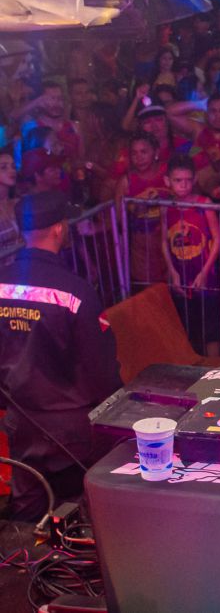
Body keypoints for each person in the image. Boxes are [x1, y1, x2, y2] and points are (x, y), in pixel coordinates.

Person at [0, 191, 120, 521]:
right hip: (73, 425)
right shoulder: (75, 292)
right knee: (86, 509)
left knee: (27, 510)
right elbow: (101, 372)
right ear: (59, 228)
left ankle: (25, 553)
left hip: (21, 419)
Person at [160, 154, 220, 356]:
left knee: (210, 329)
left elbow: (218, 239)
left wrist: (205, 271)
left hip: (205, 275)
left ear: (194, 179)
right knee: (185, 329)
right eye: (178, 180)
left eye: (188, 180)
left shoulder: (204, 203)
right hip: (181, 274)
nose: (183, 185)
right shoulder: (166, 208)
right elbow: (164, 241)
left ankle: (213, 370)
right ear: (168, 181)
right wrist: (172, 272)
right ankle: (190, 371)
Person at [116, 132, 169, 289]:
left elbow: (188, 196)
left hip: (171, 243)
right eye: (134, 153)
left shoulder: (168, 172)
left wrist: (160, 192)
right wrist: (135, 205)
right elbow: (119, 217)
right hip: (141, 247)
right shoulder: (126, 181)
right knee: (147, 292)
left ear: (156, 152)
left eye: (144, 152)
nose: (139, 158)